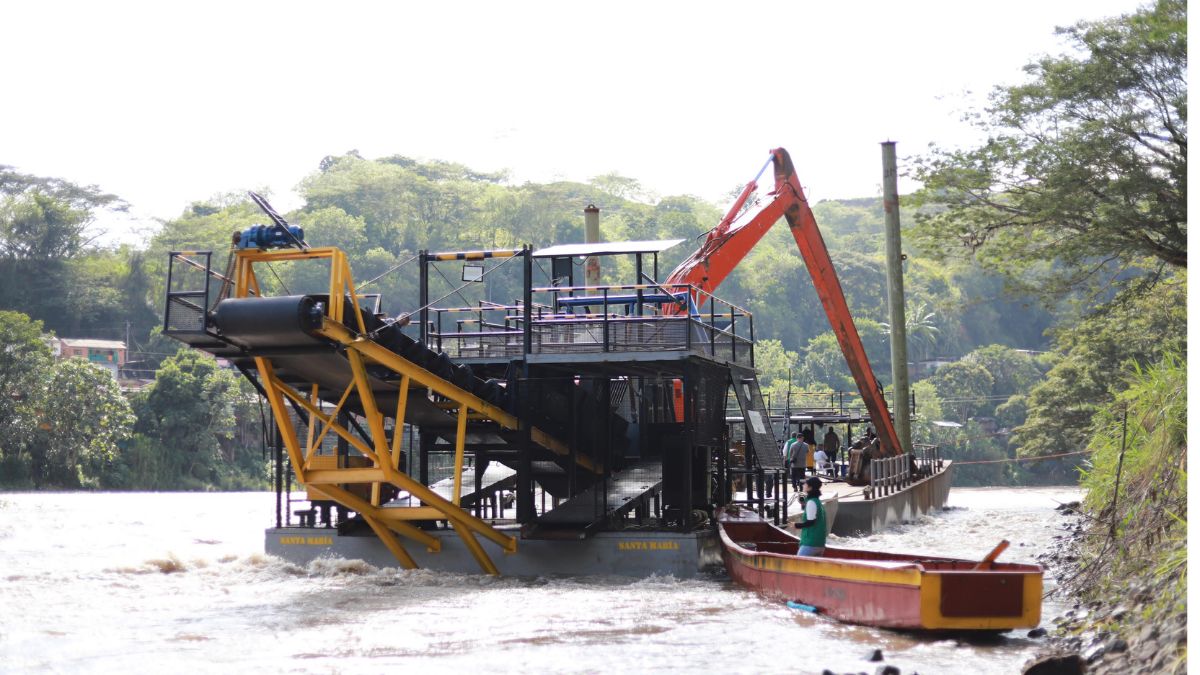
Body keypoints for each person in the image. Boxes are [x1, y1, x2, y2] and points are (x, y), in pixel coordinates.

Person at [793, 476, 827, 556]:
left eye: (805, 484)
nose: (803, 485)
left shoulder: (811, 502)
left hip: (810, 543)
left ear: (810, 488)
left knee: (798, 566)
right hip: (819, 543)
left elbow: (811, 522)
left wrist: (796, 525)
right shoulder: (818, 502)